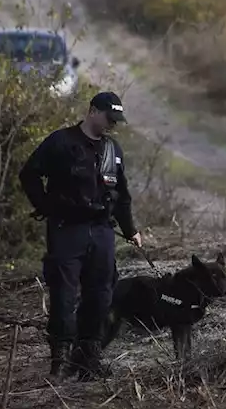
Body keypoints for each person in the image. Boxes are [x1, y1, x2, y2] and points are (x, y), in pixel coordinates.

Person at [19, 91, 142, 381]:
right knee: (63, 294)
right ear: (92, 111)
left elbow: (121, 196)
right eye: (109, 118)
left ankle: (88, 357)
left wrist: (131, 230)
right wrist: (46, 206)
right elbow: (29, 174)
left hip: (102, 231)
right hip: (67, 229)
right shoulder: (61, 142)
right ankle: (59, 361)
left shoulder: (114, 150)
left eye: (116, 120)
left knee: (101, 294)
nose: (112, 124)